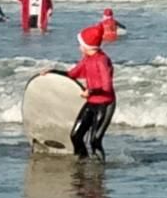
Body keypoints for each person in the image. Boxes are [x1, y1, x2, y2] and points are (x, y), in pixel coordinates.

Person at [43, 24, 115, 161]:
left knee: (95, 141)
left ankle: (99, 171)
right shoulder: (87, 60)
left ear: (88, 46)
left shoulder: (102, 61)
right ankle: (82, 163)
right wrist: (52, 72)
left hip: (105, 104)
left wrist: (91, 91)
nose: (79, 48)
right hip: (92, 102)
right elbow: (72, 74)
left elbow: (107, 87)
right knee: (75, 136)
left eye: (81, 45)